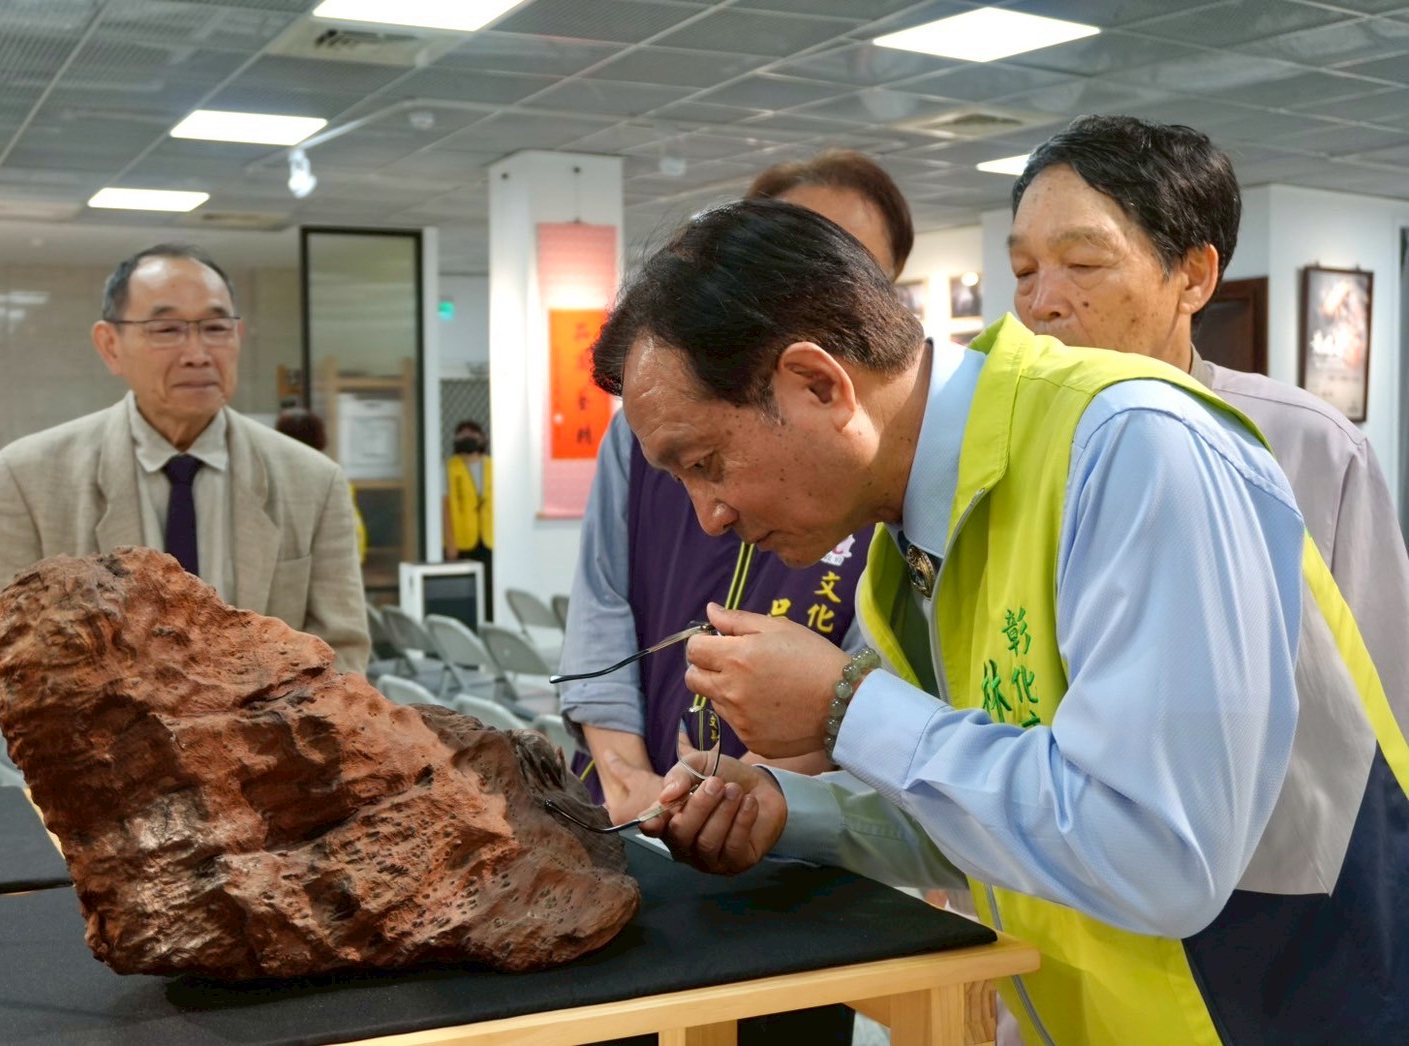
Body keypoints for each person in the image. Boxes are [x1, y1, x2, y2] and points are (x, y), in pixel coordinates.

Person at [588, 199, 1408, 1041]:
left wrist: (849, 708)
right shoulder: (906, 546)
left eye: (706, 463)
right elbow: (1003, 811)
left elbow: (1160, 854)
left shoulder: (1132, 448)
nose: (708, 517)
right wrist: (789, 812)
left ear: (817, 384)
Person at [1007, 113, 1409, 729]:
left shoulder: (1309, 447)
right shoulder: (1002, 449)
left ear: (1193, 276)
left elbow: (1387, 688)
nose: (1041, 304)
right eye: (1024, 272)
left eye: (1083, 264)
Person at [561, 149, 912, 824]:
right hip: (635, 797)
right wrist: (625, 774)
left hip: (795, 820)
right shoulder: (648, 430)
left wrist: (751, 790)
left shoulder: (892, 475)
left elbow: (884, 678)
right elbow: (600, 603)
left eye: (851, 268)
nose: (712, 512)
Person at [0, 244, 371, 691]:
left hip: (273, 735)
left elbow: (343, 656)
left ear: (237, 336)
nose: (197, 353)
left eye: (215, 328)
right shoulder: (24, 479)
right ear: (110, 346)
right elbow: (2, 669)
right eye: (167, 329)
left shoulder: (314, 481)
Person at [275, 407, 367, 564]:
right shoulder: (331, 474)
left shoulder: (272, 475)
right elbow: (353, 531)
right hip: (333, 564)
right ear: (320, 437)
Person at [443, 419, 493, 618]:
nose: (468, 439)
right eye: (462, 435)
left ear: (482, 439)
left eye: (472, 434)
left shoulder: (493, 466)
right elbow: (445, 507)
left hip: (489, 540)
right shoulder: (449, 468)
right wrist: (450, 543)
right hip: (462, 542)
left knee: (489, 590)